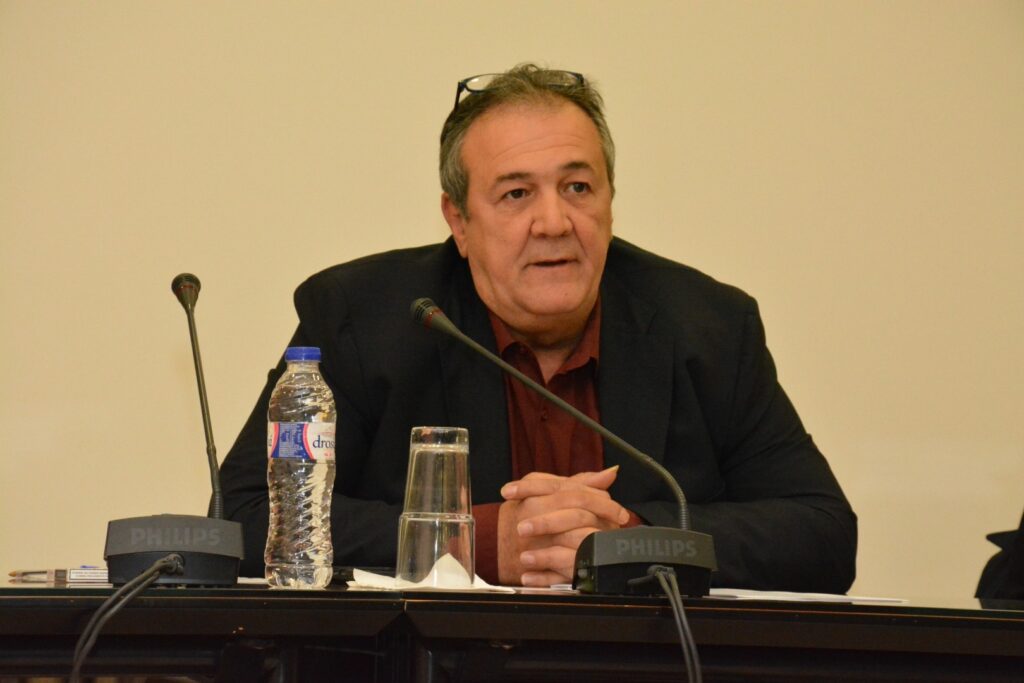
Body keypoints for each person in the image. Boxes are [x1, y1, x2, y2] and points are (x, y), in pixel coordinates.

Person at [220, 64, 857, 591]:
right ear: (459, 222)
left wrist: (631, 539)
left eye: (577, 187)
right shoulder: (364, 318)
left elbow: (823, 534)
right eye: (517, 194)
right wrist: (476, 542)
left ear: (610, 201)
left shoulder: (708, 326)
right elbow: (245, 517)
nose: (554, 223)